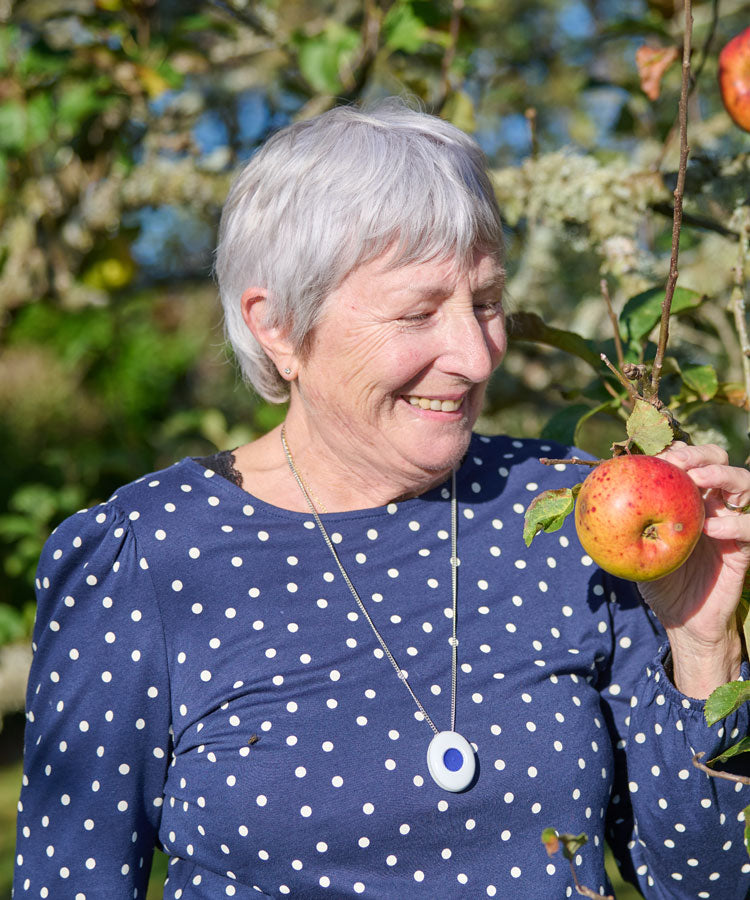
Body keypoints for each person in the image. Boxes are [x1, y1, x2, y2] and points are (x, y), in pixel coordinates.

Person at [13, 99, 750, 900]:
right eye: (419, 311)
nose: (474, 356)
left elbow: (705, 884)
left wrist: (702, 645)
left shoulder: (565, 515)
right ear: (281, 328)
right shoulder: (146, 557)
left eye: (487, 302)